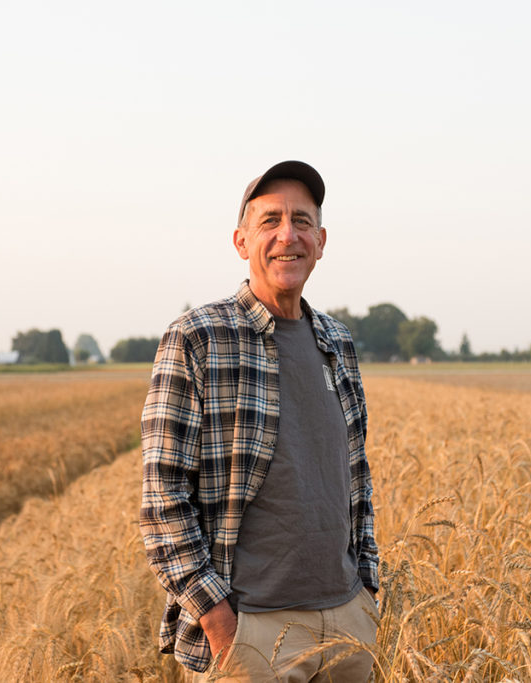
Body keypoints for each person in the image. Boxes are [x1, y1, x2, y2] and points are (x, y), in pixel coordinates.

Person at [140, 161, 379, 681]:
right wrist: (220, 623)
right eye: (270, 221)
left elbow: (356, 474)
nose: (287, 235)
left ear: (321, 239)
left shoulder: (336, 341)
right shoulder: (198, 338)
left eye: (301, 220)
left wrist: (367, 589)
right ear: (241, 241)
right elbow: (162, 497)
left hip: (347, 623)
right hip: (253, 633)